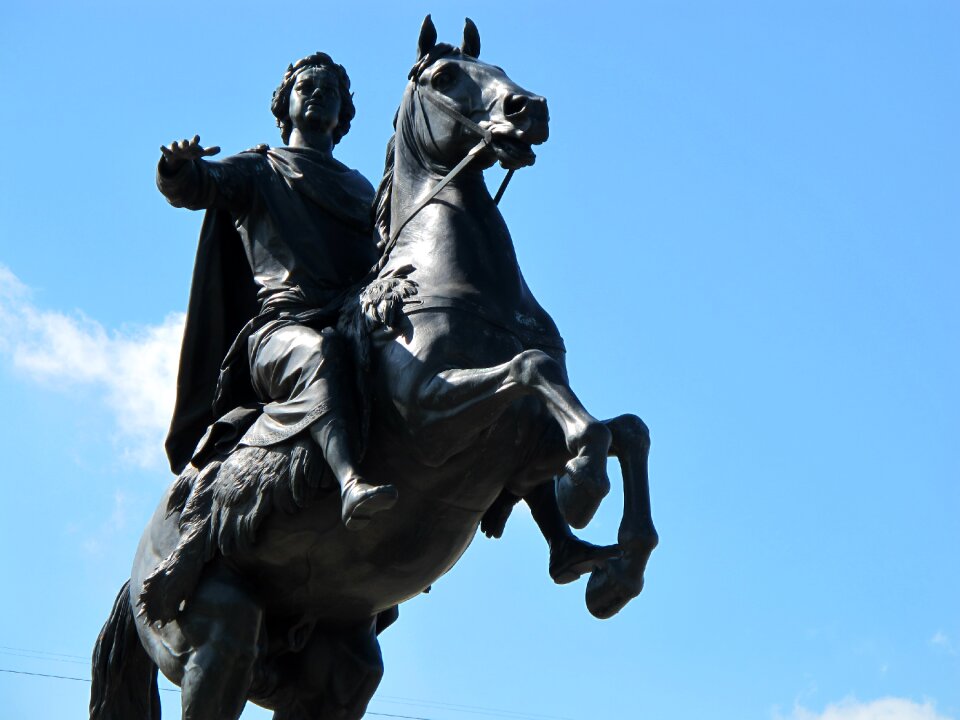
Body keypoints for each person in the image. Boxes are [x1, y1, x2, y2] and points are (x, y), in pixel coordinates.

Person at [158, 52, 398, 530]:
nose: (318, 93)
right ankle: (350, 482)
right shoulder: (258, 169)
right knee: (321, 353)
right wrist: (176, 169)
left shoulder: (361, 189)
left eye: (330, 90)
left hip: (352, 320)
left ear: (343, 115)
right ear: (283, 103)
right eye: (306, 86)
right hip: (282, 331)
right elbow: (199, 187)